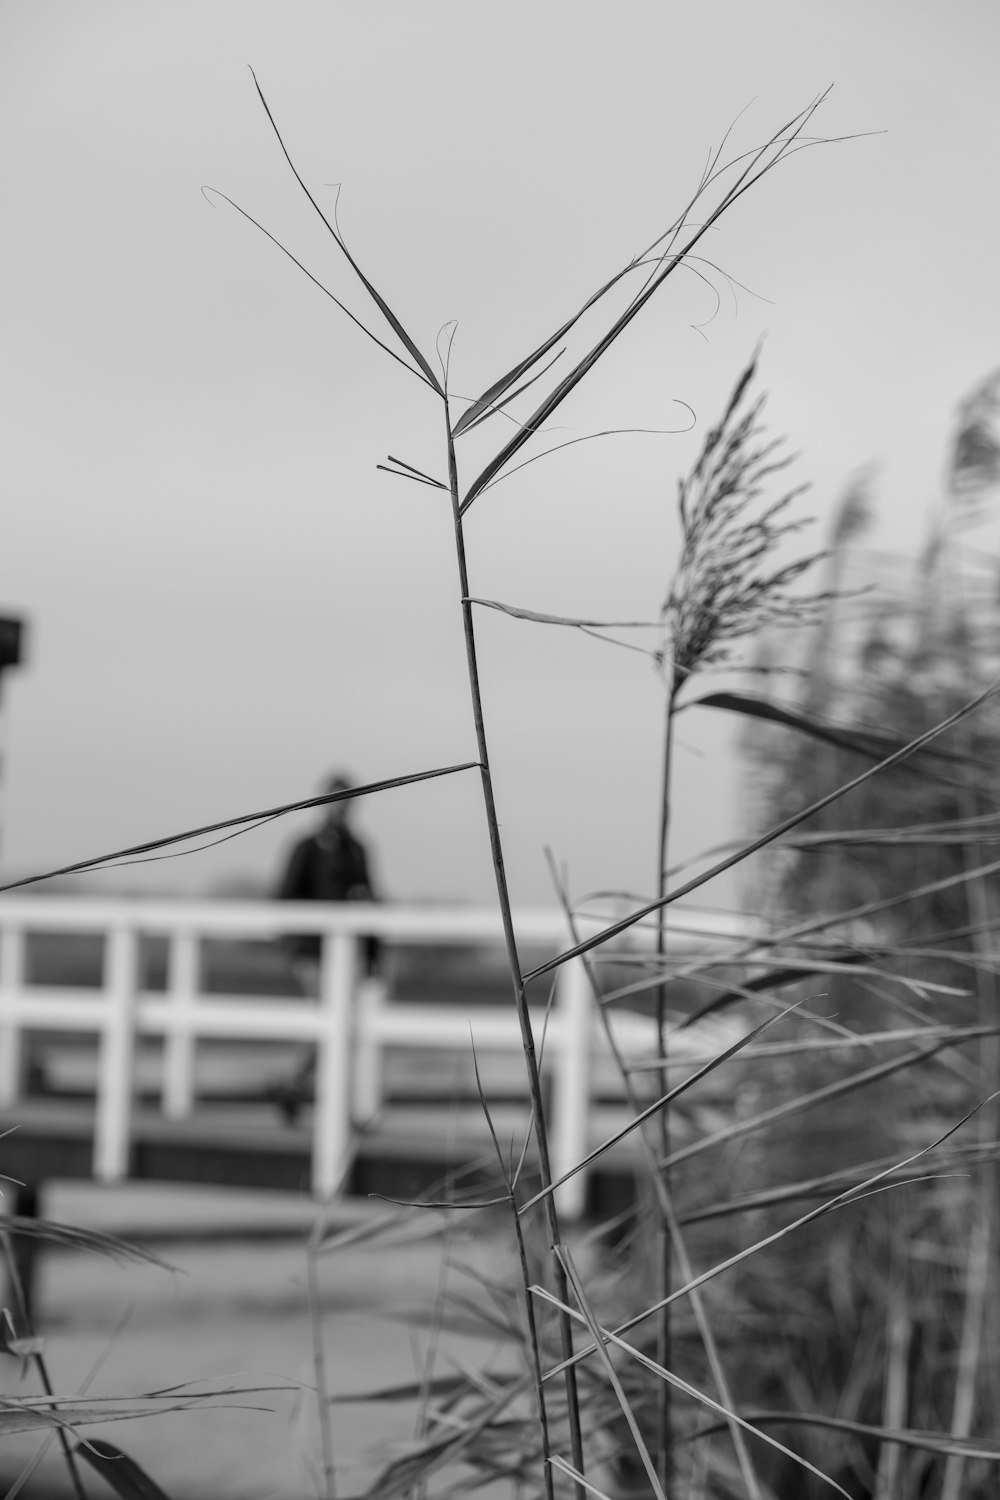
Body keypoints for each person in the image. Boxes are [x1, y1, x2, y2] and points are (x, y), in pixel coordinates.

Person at [270, 772, 380, 1123]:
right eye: (338, 801)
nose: (343, 808)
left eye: (349, 801)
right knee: (329, 1016)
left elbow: (371, 902)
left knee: (339, 1023)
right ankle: (304, 1090)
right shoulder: (307, 846)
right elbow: (284, 895)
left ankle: (296, 1088)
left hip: (348, 955)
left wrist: (374, 954)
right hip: (311, 951)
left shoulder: (358, 849)